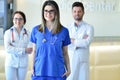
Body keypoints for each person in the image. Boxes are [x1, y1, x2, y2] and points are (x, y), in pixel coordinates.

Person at [30, 0, 71, 80]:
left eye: (51, 11)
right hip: (39, 71)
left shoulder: (64, 31)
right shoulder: (36, 30)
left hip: (57, 72)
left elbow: (65, 53)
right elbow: (34, 51)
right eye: (46, 11)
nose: (48, 14)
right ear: (43, 12)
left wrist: (69, 69)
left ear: (56, 13)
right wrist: (32, 68)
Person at [67, 2, 94, 80]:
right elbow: (66, 43)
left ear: (83, 12)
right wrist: (80, 41)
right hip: (70, 58)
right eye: (75, 11)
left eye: (79, 11)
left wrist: (73, 40)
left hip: (83, 59)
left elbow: (86, 42)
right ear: (72, 13)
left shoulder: (89, 27)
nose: (77, 13)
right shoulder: (67, 28)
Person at [4, 11, 33, 80]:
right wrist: (24, 50)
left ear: (24, 21)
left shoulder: (28, 33)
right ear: (13, 20)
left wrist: (14, 48)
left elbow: (30, 50)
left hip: (23, 63)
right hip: (10, 63)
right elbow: (8, 49)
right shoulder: (8, 33)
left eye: (20, 19)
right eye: (16, 18)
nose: (18, 21)